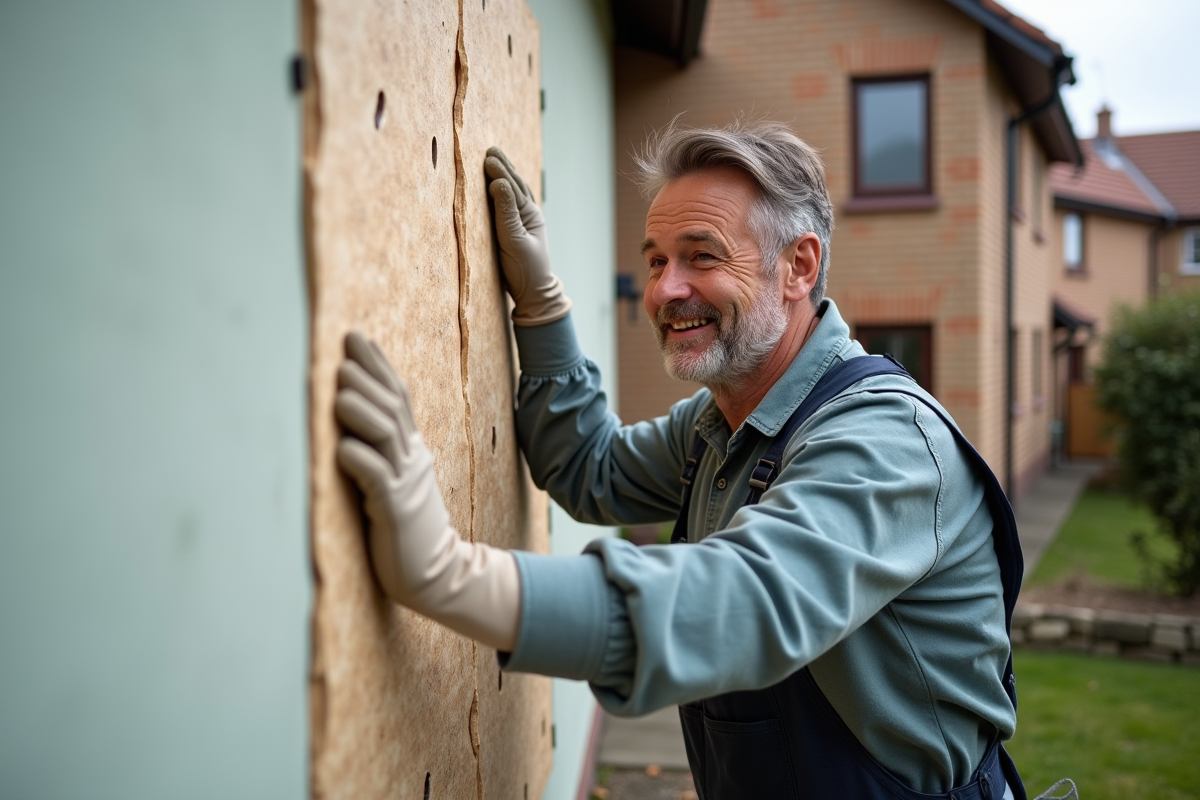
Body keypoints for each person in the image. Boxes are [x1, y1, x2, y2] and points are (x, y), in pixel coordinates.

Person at [333, 121, 1026, 799]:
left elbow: (742, 600)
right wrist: (542, 307)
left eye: (702, 255)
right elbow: (592, 468)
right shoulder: (725, 421)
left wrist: (447, 577)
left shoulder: (887, 442)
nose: (664, 290)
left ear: (799, 266)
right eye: (658, 259)